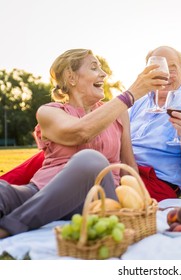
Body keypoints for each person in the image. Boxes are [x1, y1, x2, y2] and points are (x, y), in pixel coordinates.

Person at [0, 48, 168, 238]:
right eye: (94, 68)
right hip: (41, 192)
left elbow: (128, 166)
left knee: (91, 160)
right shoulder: (49, 112)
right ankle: (30, 214)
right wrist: (130, 94)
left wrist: (142, 202)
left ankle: (10, 227)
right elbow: (80, 132)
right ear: (71, 77)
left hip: (98, 200)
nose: (103, 74)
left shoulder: (118, 113)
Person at [129, 46, 181, 202]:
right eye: (157, 68)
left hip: (157, 183)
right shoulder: (137, 101)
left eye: (172, 68)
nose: (165, 74)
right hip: (123, 171)